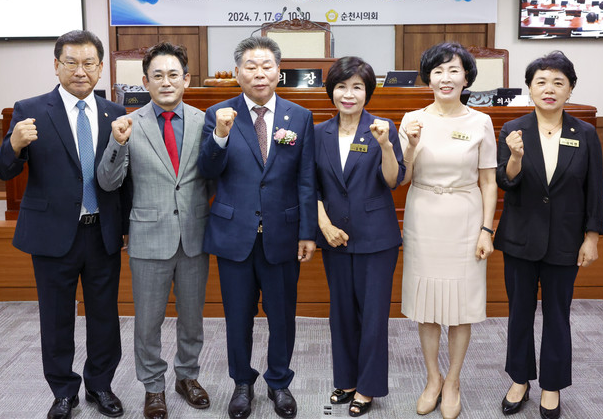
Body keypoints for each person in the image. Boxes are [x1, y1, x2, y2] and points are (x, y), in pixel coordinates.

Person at [0, 30, 128, 419]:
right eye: (71, 62)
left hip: (102, 231)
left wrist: (126, 228)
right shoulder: (31, 109)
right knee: (56, 317)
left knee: (104, 316)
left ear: (100, 68)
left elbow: (124, 178)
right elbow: (3, 170)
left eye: (89, 63)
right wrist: (14, 145)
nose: (80, 71)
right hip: (52, 233)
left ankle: (100, 385)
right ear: (56, 66)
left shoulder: (115, 113)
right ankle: (63, 391)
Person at [198, 36, 318, 419]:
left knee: (282, 316)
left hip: (283, 234)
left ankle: (279, 382)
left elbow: (306, 180)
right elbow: (207, 170)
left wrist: (307, 231)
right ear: (237, 73)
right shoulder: (218, 114)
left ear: (279, 72)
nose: (259, 73)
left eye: (267, 66)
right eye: (250, 66)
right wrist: (220, 134)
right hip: (235, 234)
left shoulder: (299, 117)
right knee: (238, 317)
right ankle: (242, 383)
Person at [96, 42, 212, 419]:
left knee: (192, 318)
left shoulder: (204, 121)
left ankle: (187, 376)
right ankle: (153, 386)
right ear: (145, 82)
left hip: (194, 235)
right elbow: (108, 181)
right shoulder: (129, 124)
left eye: (173, 74)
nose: (166, 82)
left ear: (186, 79)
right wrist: (117, 143)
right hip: (148, 237)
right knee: (148, 322)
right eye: (157, 75)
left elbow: (212, 178)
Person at [496, 51, 603, 419]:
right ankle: (519, 379)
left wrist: (592, 237)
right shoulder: (513, 129)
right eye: (541, 81)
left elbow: (594, 188)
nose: (549, 89)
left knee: (558, 314)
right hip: (520, 238)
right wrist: (514, 157)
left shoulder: (585, 133)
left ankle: (552, 384)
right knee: (519, 313)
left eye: (558, 82)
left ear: (570, 89)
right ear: (529, 88)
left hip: (565, 239)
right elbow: (505, 182)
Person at [399, 42, 497, 419]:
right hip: (423, 214)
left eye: (453, 70)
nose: (445, 77)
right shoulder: (412, 119)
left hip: (465, 216)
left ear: (466, 78)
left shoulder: (480, 122)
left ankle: (453, 380)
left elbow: (488, 182)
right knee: (426, 306)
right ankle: (432, 378)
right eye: (438, 71)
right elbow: (402, 178)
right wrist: (410, 146)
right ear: (428, 79)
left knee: (460, 307)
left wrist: (486, 229)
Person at [314, 57, 405, 417]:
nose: (348, 94)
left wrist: (386, 146)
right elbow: (310, 185)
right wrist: (323, 224)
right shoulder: (319, 132)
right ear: (331, 91)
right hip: (334, 236)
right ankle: (347, 380)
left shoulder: (383, 128)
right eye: (341, 86)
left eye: (357, 87)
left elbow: (393, 180)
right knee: (341, 314)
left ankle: (368, 387)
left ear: (368, 92)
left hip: (376, 237)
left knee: (373, 316)